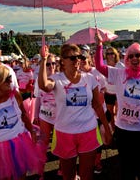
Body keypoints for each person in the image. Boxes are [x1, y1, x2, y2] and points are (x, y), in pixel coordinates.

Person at [38, 43, 112, 180]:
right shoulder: (56, 79)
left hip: (88, 131)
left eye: (79, 57)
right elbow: (43, 85)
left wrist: (107, 128)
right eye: (72, 58)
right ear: (63, 61)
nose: (77, 60)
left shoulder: (89, 78)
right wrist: (43, 60)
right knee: (68, 175)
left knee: (87, 174)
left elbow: (97, 105)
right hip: (64, 133)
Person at [95, 37, 140, 180]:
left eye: (138, 55)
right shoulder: (120, 74)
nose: (134, 58)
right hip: (123, 131)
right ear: (126, 59)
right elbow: (100, 66)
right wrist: (99, 46)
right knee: (126, 169)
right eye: (131, 55)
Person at [79, 49, 108, 174]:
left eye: (84, 58)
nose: (82, 60)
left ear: (89, 58)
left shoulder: (97, 72)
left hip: (100, 111)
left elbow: (104, 87)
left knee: (100, 138)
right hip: (86, 114)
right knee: (87, 140)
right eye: (79, 58)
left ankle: (97, 162)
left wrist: (101, 93)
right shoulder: (76, 75)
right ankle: (86, 163)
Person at [33, 53, 58, 178]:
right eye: (48, 64)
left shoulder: (60, 77)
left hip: (59, 118)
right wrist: (35, 115)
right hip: (45, 116)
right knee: (43, 144)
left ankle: (63, 169)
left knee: (59, 144)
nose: (51, 66)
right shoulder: (39, 80)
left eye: (53, 63)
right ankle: (40, 172)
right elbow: (37, 98)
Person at [103, 46, 124, 131]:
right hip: (108, 92)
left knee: (119, 112)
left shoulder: (120, 65)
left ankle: (119, 128)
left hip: (118, 93)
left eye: (112, 53)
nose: (110, 55)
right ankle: (113, 129)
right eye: (108, 53)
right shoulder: (103, 64)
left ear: (115, 55)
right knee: (110, 112)